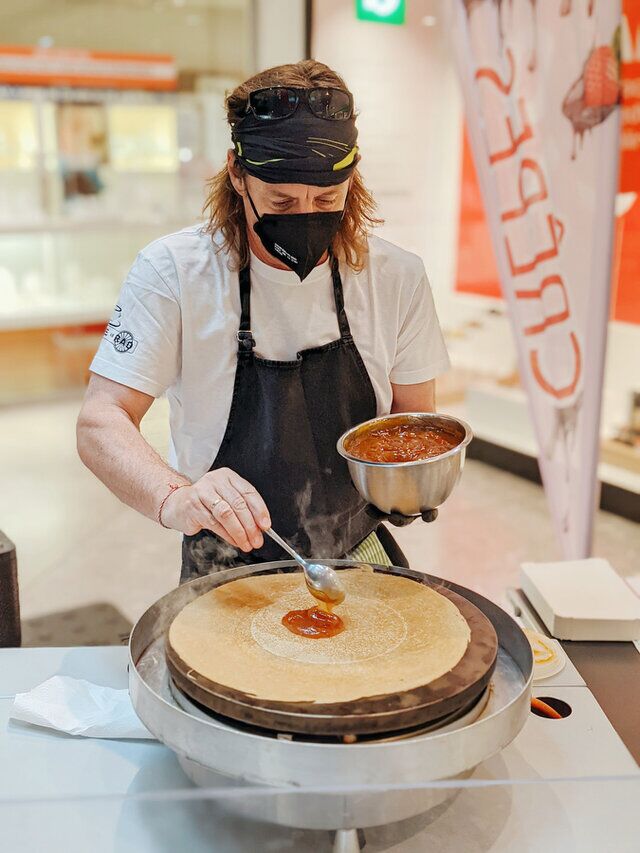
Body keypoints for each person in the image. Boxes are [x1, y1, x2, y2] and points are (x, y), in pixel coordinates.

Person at [77, 60, 450, 582]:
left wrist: (411, 483)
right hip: (223, 557)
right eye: (281, 201)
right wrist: (176, 496)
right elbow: (102, 419)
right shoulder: (174, 272)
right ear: (236, 172)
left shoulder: (396, 277)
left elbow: (414, 422)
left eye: (325, 200)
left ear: (351, 178)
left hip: (354, 548)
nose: (304, 216)